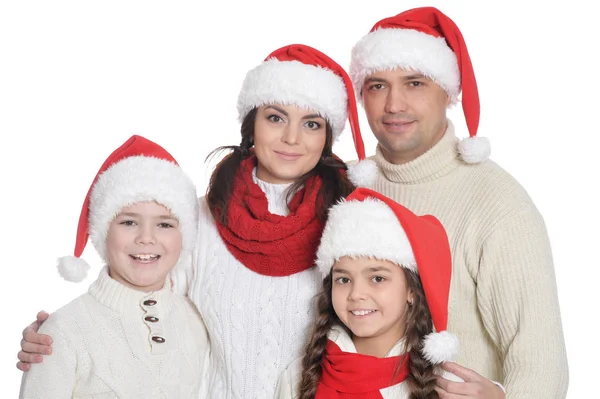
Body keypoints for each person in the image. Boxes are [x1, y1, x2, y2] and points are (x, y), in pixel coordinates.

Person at [16, 44, 372, 399]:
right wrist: (61, 339)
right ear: (251, 124)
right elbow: (141, 300)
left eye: (312, 124)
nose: (292, 138)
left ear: (327, 137)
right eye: (275, 117)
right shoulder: (198, 220)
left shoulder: (352, 221)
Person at [348, 6, 569, 397]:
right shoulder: (345, 189)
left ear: (448, 92)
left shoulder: (497, 201)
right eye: (377, 85)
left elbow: (542, 365)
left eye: (414, 83)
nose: (394, 104)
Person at [18, 135, 210, 398]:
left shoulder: (196, 322)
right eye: (129, 222)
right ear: (103, 230)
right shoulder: (64, 332)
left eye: (164, 224)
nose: (146, 237)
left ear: (185, 236)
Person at [275, 187, 470, 398]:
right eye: (344, 279)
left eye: (377, 278)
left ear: (411, 290)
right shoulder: (299, 376)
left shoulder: (450, 387)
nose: (356, 294)